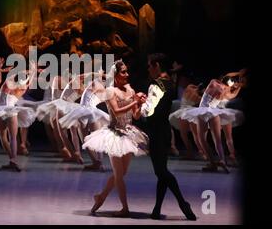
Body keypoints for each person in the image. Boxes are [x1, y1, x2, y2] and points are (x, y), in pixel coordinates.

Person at [83, 60, 148, 217]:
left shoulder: (130, 89)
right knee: (119, 174)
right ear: (116, 75)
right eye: (123, 72)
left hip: (128, 134)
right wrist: (134, 101)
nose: (127, 74)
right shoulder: (110, 91)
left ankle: (101, 197)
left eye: (127, 71)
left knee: (122, 173)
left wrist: (140, 104)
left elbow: (135, 115)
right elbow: (117, 111)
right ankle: (125, 208)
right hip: (114, 135)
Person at [139, 53, 196, 220]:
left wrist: (141, 103)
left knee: (162, 172)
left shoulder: (156, 84)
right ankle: (157, 210)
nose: (148, 68)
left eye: (150, 65)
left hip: (156, 131)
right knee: (161, 172)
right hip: (164, 130)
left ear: (156, 66)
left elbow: (148, 112)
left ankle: (183, 203)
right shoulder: (169, 83)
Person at [0, 62, 40, 171]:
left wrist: (28, 70)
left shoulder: (7, 83)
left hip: (1, 111)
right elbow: (29, 81)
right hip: (11, 112)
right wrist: (33, 71)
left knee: (3, 136)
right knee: (13, 137)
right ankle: (13, 160)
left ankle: (12, 159)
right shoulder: (23, 88)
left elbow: (17, 74)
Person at [182, 72, 245, 172]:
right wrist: (239, 86)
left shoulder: (214, 83)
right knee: (218, 140)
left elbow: (224, 78)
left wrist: (237, 74)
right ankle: (222, 160)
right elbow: (232, 94)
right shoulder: (225, 92)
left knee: (202, 139)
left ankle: (212, 163)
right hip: (214, 113)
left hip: (203, 111)